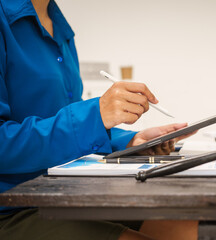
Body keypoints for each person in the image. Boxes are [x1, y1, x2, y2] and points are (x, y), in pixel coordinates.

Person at [0, 0, 198, 239]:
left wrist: (132, 140)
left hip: (62, 194)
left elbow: (64, 119)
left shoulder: (59, 26)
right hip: (13, 207)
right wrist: (96, 114)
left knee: (179, 217)